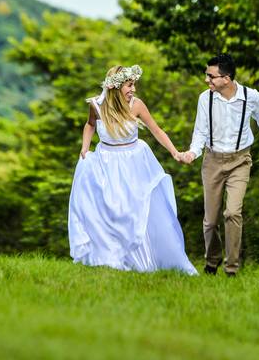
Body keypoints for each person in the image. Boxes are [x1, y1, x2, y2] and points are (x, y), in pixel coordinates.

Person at [68, 64, 197, 275]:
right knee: (111, 209)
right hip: (107, 162)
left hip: (135, 161)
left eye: (134, 84)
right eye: (129, 85)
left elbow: (156, 130)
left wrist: (175, 152)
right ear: (116, 87)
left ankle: (143, 258)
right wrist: (85, 147)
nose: (133, 89)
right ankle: (112, 255)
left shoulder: (137, 105)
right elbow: (90, 125)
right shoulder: (97, 105)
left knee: (135, 209)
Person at [180, 54, 259, 276]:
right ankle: (212, 261)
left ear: (226, 78)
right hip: (212, 161)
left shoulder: (251, 97)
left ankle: (232, 268)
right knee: (210, 221)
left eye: (211, 76)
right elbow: (200, 131)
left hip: (240, 161)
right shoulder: (204, 99)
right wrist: (192, 153)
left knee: (232, 212)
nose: (207, 80)